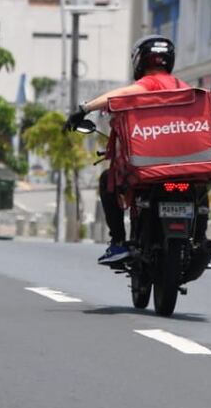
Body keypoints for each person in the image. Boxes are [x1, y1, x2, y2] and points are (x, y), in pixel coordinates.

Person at [65, 35, 188, 265]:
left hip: (150, 167)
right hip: (185, 168)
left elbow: (119, 95)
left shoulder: (150, 83)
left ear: (140, 61)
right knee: (198, 191)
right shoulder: (183, 87)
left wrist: (85, 108)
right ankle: (199, 238)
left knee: (106, 181)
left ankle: (119, 243)